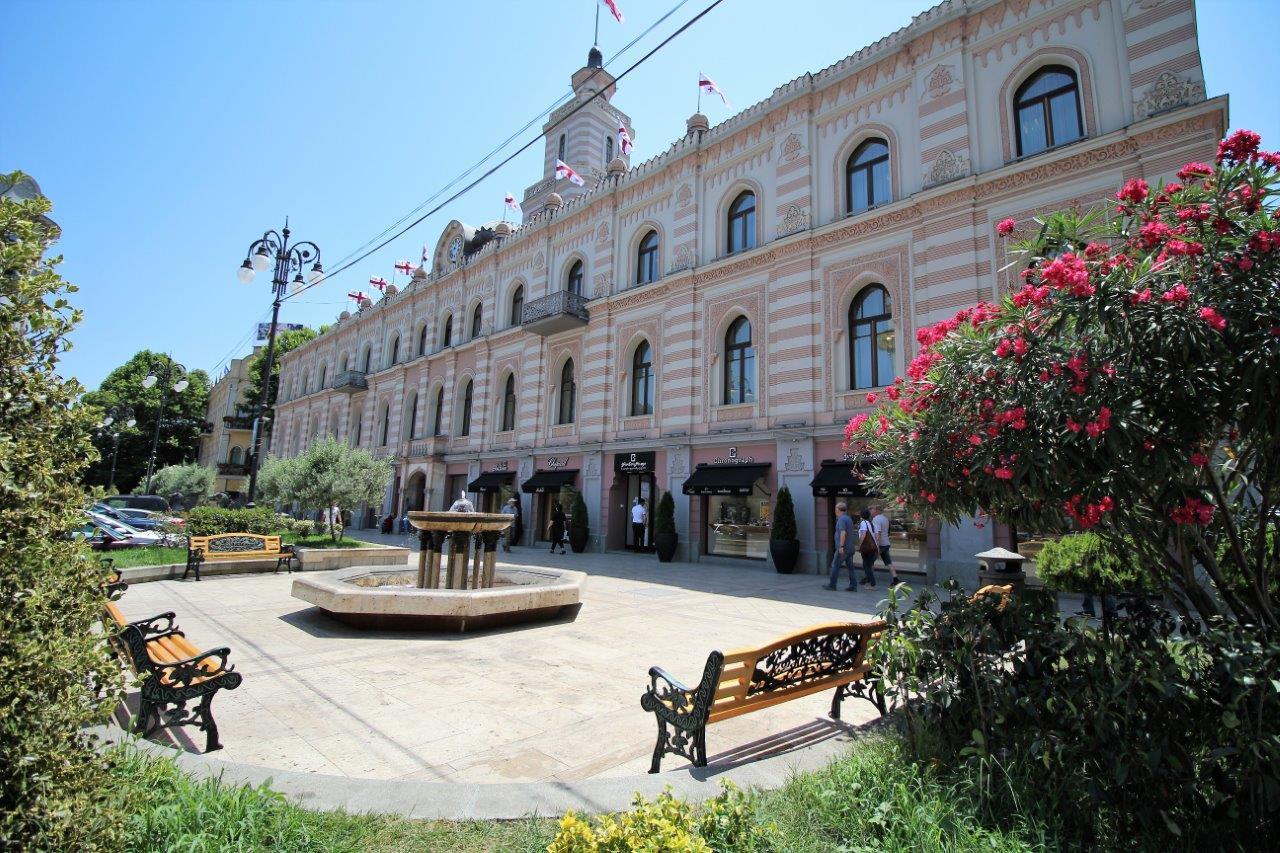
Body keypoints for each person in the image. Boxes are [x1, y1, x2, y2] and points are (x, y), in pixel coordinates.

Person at [824, 501, 856, 591]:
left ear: (838, 509)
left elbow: (843, 532)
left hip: (843, 548)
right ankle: (853, 586)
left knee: (835, 565)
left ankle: (832, 585)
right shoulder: (848, 518)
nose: (835, 510)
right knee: (850, 568)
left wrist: (841, 546)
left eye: (835, 508)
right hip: (850, 548)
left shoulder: (841, 519)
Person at [870, 505, 901, 586]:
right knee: (888, 562)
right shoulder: (885, 518)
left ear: (876, 510)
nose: (870, 511)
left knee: (869, 562)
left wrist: (875, 545)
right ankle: (896, 579)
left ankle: (869, 578)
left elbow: (878, 533)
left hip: (880, 545)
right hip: (886, 544)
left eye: (871, 509)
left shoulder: (876, 519)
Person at [856, 507, 879, 589]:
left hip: (866, 548)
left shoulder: (863, 523)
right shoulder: (873, 524)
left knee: (867, 566)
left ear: (861, 515)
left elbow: (863, 535)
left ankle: (873, 585)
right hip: (873, 548)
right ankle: (870, 583)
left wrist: (859, 545)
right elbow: (876, 537)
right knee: (869, 565)